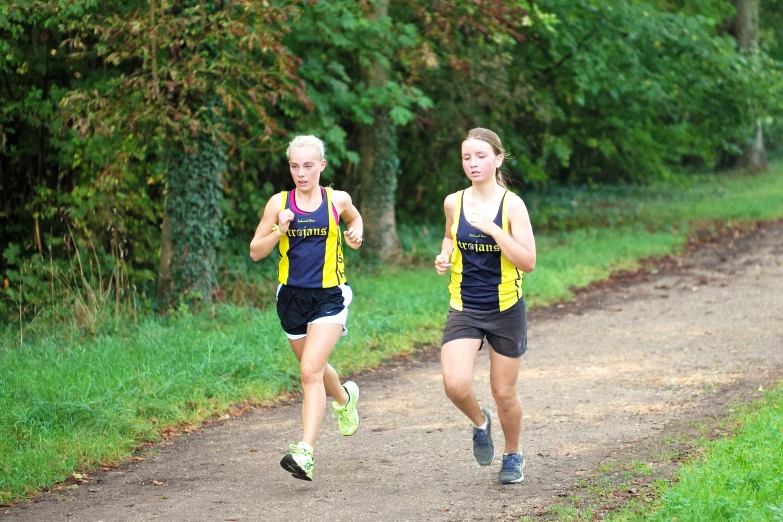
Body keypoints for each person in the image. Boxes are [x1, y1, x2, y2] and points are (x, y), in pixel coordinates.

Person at [249, 135, 364, 481]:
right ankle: (344, 398)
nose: (301, 173)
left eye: (308, 166)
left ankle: (305, 453)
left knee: (310, 372)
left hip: (330, 296)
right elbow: (256, 251)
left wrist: (355, 235)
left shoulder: (337, 200)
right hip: (291, 300)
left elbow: (355, 221)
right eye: (295, 166)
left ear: (322, 166)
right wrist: (279, 231)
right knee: (313, 366)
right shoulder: (278, 204)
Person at [433, 128, 536, 484]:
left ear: (497, 159)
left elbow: (528, 261)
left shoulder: (512, 206)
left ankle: (513, 455)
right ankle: (480, 422)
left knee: (504, 393)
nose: (473, 163)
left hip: (506, 309)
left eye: (480, 156)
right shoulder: (454, 202)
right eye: (467, 157)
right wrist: (445, 255)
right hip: (465, 306)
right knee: (455, 384)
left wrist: (495, 231)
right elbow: (449, 233)